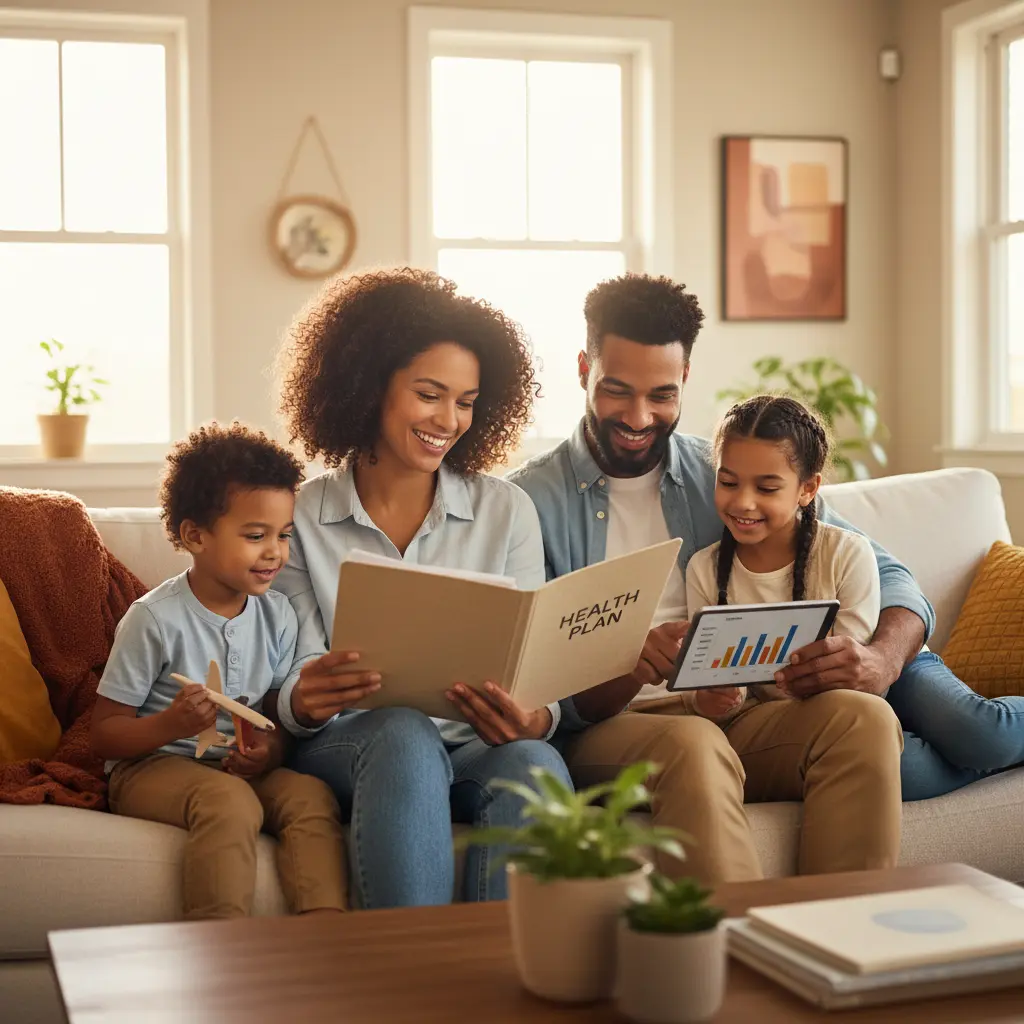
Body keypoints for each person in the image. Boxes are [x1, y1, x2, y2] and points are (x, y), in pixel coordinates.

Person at [510, 273, 924, 883]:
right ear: (582, 368)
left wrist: (883, 658)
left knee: (864, 719)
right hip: (612, 730)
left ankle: (840, 942)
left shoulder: (728, 474)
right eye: (616, 390)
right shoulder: (527, 502)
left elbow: (891, 577)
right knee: (690, 745)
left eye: (662, 394)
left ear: (685, 381)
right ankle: (737, 957)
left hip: (735, 713)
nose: (638, 416)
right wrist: (630, 662)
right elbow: (541, 690)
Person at [271, 266, 572, 910]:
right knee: (402, 731)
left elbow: (535, 670)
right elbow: (288, 678)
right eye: (430, 394)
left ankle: (513, 994)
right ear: (370, 383)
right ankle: (410, 987)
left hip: (472, 748)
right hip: (352, 743)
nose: (450, 419)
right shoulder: (300, 515)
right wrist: (305, 697)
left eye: (466, 402)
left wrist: (535, 717)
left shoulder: (507, 510)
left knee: (536, 766)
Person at [91, 423, 347, 920]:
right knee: (230, 802)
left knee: (310, 796)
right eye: (255, 536)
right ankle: (221, 945)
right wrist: (171, 725)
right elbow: (103, 736)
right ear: (195, 535)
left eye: (283, 535)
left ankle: (325, 937)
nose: (274, 551)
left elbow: (276, 714)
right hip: (150, 767)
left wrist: (269, 751)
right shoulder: (154, 618)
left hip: (233, 768)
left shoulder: (279, 616)